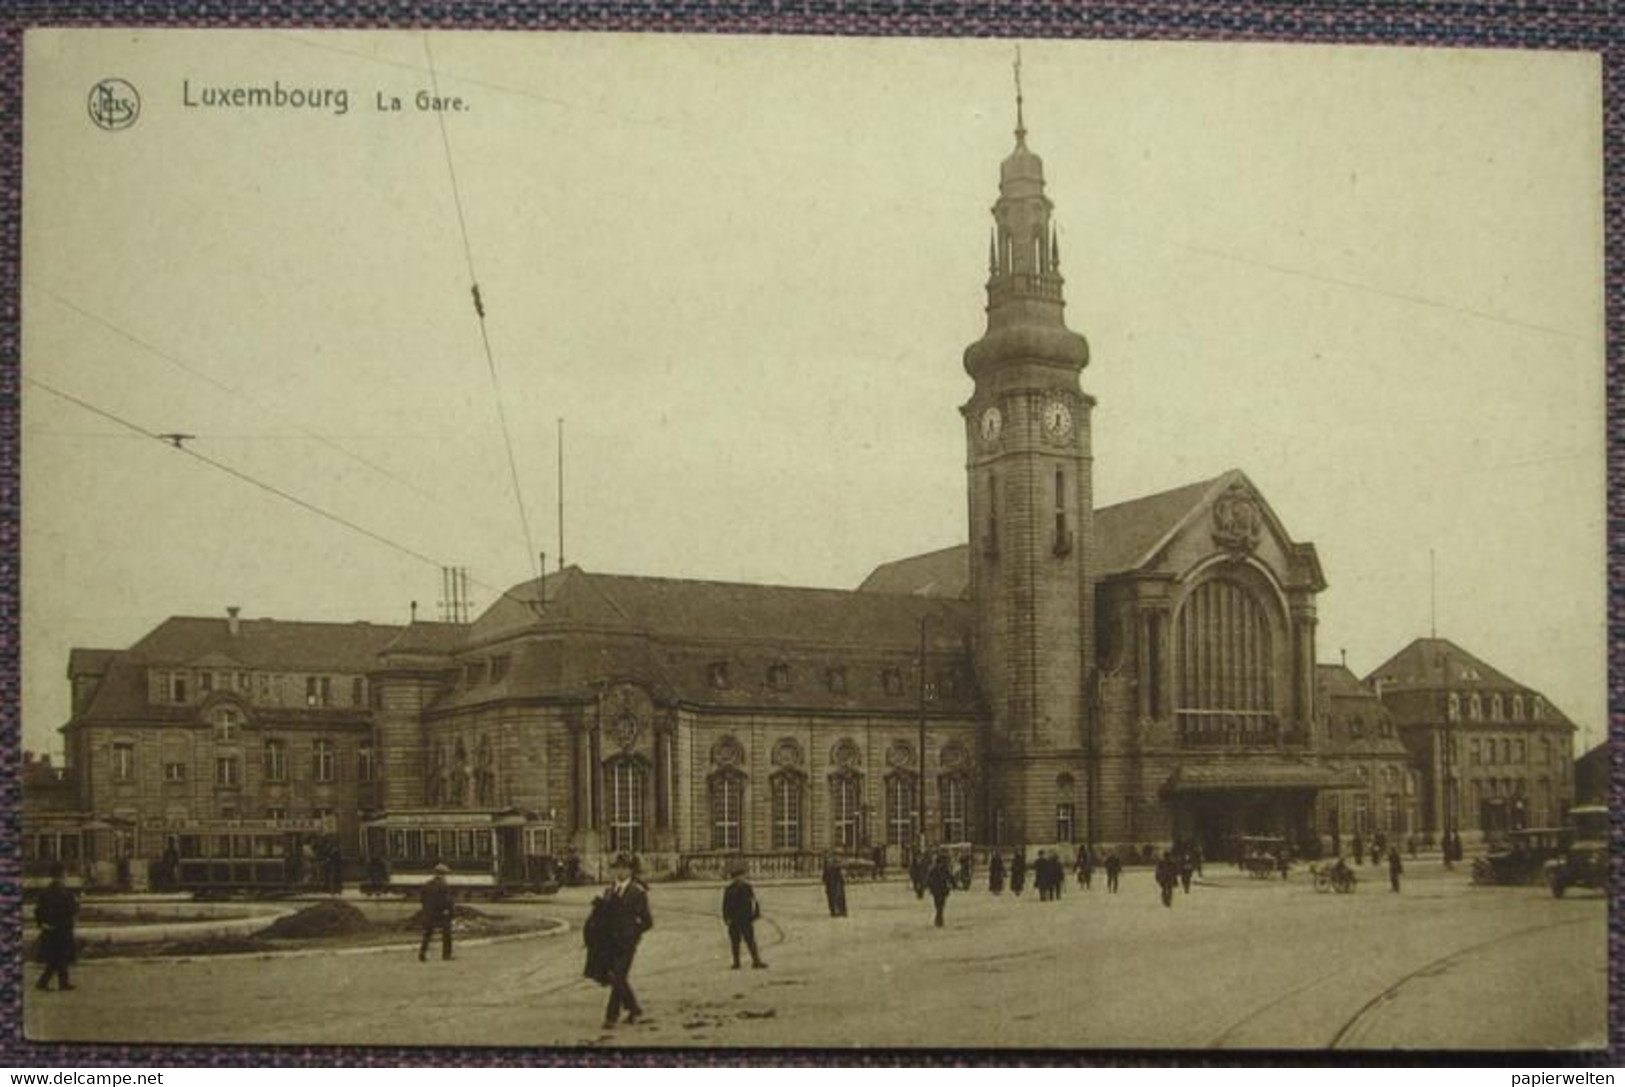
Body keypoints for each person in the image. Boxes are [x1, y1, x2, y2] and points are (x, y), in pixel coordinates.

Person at [598, 853, 654, 1029]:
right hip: (611, 943)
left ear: (630, 870)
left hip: (627, 944)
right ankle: (633, 1009)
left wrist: (633, 933)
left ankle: (611, 1017)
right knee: (616, 976)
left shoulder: (637, 893)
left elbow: (647, 921)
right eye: (617, 868)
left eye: (624, 868)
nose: (620, 872)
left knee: (617, 976)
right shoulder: (609, 891)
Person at [34, 862, 78, 992]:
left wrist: (42, 924)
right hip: (61, 928)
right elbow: (71, 908)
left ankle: (53, 982)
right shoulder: (63, 892)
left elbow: (38, 911)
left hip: (52, 928)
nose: (65, 875)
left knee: (57, 957)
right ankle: (56, 983)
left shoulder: (47, 892)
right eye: (64, 873)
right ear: (61, 875)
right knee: (60, 956)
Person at [721, 862, 767, 969]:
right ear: (734, 877)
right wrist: (726, 918)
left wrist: (756, 914)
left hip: (746, 918)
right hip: (734, 919)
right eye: (738, 877)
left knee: (750, 940)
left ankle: (756, 961)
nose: (740, 878)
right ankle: (736, 963)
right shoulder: (729, 889)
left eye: (741, 876)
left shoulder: (747, 887)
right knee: (735, 942)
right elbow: (725, 905)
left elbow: (754, 901)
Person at [418, 863, 455, 962]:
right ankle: (446, 955)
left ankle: (422, 953)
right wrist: (450, 911)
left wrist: (426, 909)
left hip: (429, 913)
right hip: (441, 913)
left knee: (427, 934)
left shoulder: (427, 884)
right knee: (446, 933)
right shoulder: (444, 885)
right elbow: (447, 900)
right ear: (443, 874)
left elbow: (422, 899)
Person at [926, 852, 953, 927]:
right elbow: (950, 877)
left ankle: (939, 920)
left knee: (939, 906)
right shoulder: (940, 869)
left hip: (938, 890)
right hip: (940, 890)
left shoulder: (933, 869)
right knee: (940, 906)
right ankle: (939, 920)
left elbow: (928, 880)